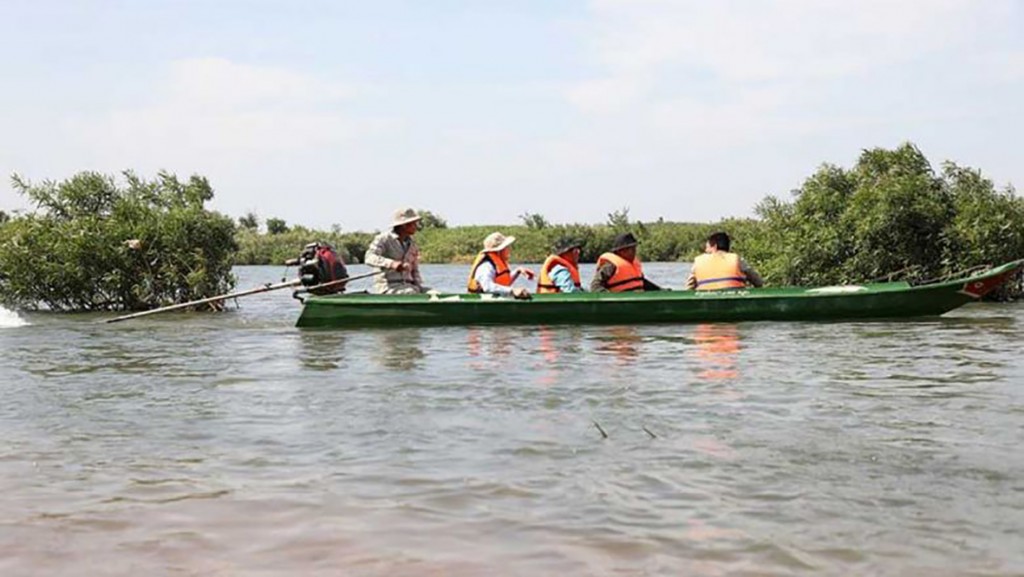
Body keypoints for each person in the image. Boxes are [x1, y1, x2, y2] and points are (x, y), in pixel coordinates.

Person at [364, 207, 430, 294]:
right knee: (411, 293)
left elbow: (414, 269)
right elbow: (369, 258)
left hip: (409, 286)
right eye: (414, 223)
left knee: (434, 294)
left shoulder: (412, 243)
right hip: (388, 287)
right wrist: (391, 264)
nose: (416, 226)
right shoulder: (384, 239)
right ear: (404, 225)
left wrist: (419, 286)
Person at [685, 231, 764, 291]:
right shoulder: (737, 259)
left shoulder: (699, 261)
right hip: (735, 302)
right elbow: (758, 282)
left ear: (715, 246)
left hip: (707, 304)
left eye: (707, 247)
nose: (705, 250)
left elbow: (689, 287)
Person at [467, 232, 534, 299]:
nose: (509, 250)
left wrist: (518, 271)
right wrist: (512, 290)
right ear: (499, 251)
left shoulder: (495, 265)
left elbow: (503, 281)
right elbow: (487, 287)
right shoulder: (486, 266)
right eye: (506, 247)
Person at [590, 232, 664, 292]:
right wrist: (609, 297)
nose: (634, 252)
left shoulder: (634, 264)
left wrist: (661, 291)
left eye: (635, 248)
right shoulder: (610, 266)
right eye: (631, 249)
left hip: (637, 301)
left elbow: (642, 282)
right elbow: (595, 286)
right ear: (621, 251)